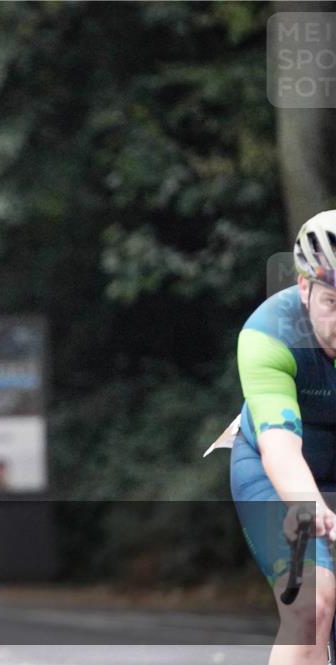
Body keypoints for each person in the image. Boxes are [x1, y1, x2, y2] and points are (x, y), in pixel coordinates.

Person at [230, 210, 336, 665]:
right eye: (333, 302)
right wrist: (311, 505)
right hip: (276, 470)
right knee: (311, 607)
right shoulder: (267, 335)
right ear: (303, 289)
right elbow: (280, 447)